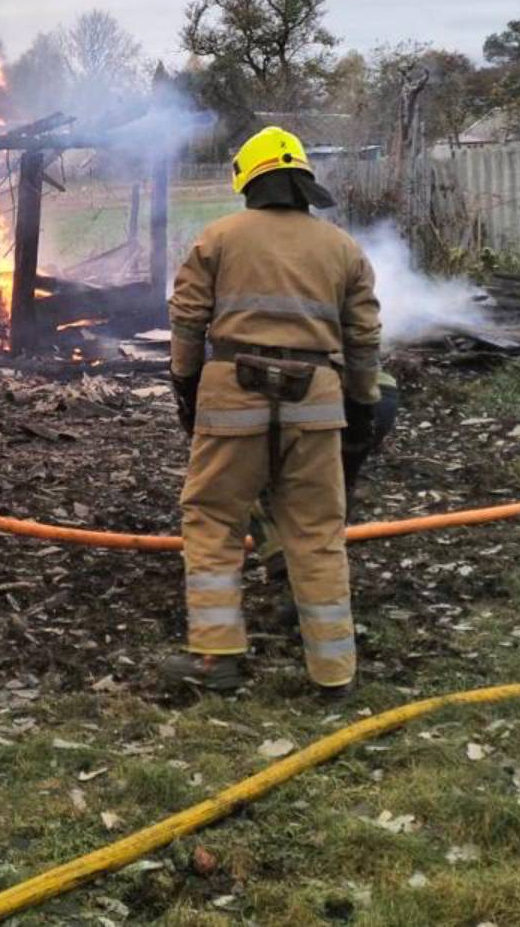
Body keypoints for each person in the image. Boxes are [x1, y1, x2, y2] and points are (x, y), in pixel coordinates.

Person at [162, 128, 382, 694]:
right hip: (317, 404)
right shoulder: (342, 248)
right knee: (318, 531)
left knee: (213, 519)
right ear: (302, 181)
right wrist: (362, 403)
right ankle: (334, 672)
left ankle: (216, 658)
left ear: (249, 181)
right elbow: (363, 340)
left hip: (232, 398)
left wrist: (186, 384)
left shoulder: (218, 238)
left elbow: (187, 319)